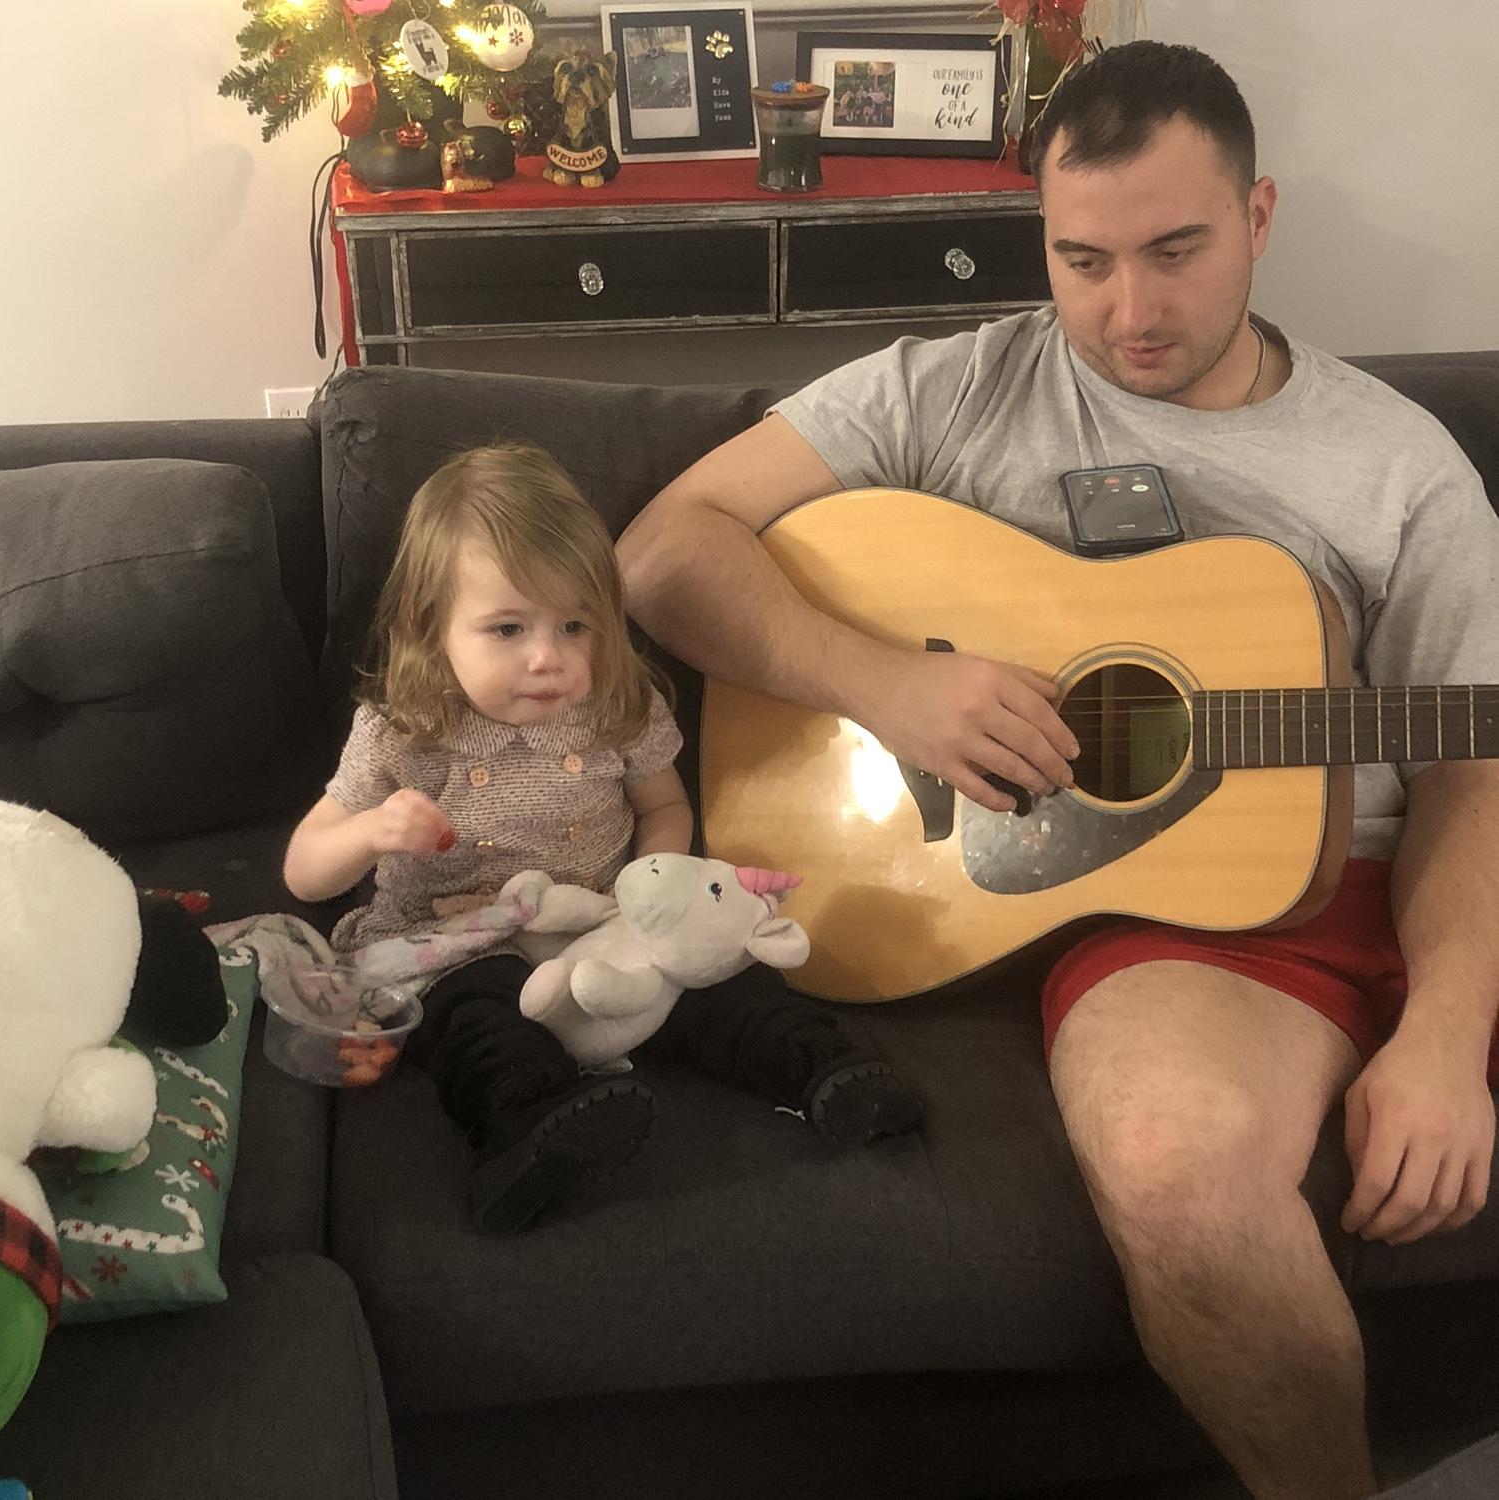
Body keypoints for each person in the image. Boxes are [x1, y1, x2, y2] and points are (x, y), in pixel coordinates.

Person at [616, 40, 1499, 1500]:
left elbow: (1474, 772)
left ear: (1262, 216)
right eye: (1082, 260)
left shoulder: (1401, 468)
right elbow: (662, 554)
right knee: (1174, 1174)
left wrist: (1447, 1040)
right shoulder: (947, 392)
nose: (1128, 311)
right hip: (1169, 918)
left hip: (1375, 875)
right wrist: (887, 685)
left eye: (1176, 251)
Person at [283, 443, 922, 1234]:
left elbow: (664, 807)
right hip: (460, 945)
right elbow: (304, 873)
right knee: (478, 1026)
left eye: (575, 624)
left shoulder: (619, 706)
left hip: (607, 926)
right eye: (508, 628)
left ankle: (829, 1070)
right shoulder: (402, 732)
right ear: (430, 626)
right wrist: (373, 830)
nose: (548, 657)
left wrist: (659, 880)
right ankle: (535, 1129)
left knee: (728, 982)